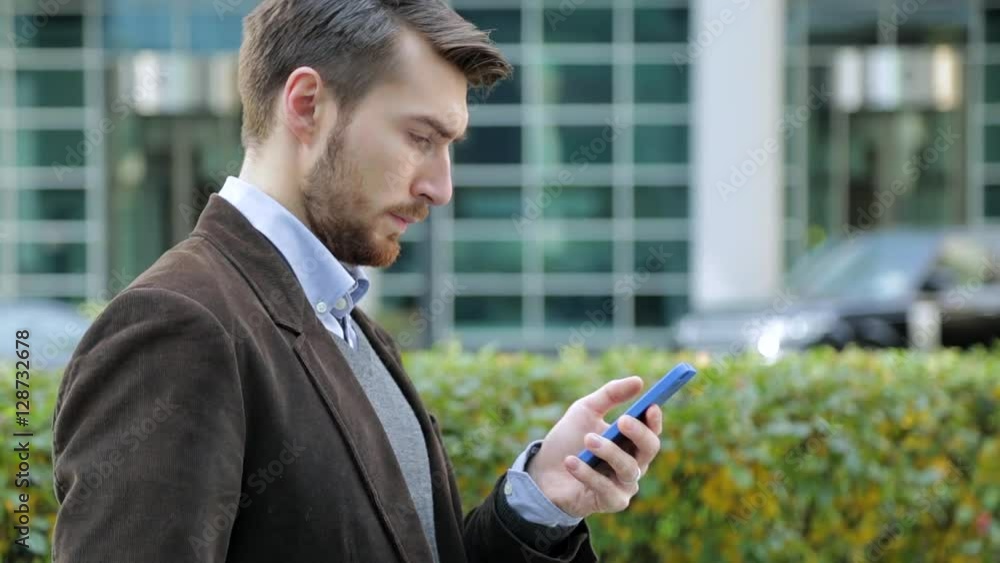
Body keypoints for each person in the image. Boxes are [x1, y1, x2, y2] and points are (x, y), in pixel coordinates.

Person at [51, 1, 665, 561]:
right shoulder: (179, 325)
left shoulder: (349, 328)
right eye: (421, 138)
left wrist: (540, 502)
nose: (440, 187)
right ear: (307, 104)